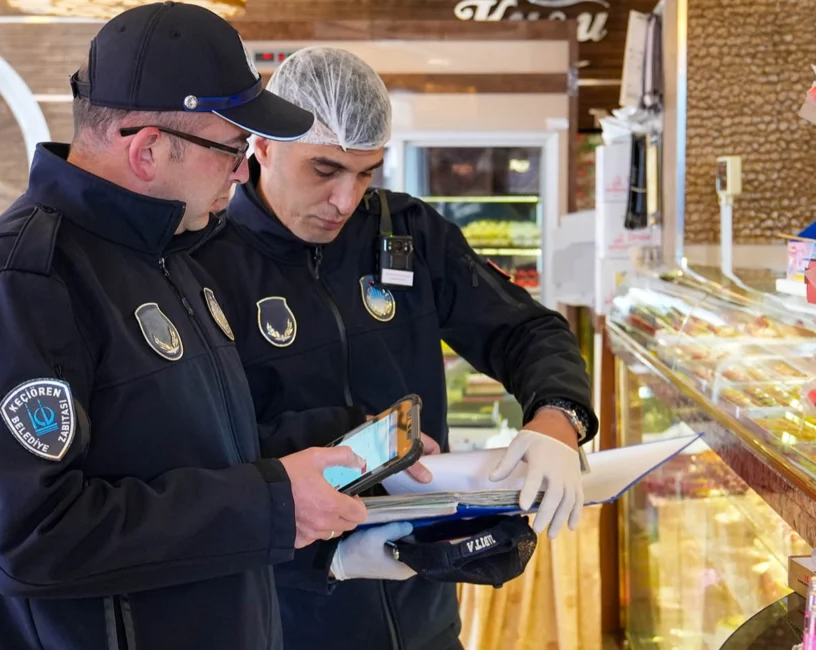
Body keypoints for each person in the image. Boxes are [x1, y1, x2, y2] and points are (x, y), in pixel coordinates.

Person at [0, 9, 371, 650]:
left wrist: (342, 450)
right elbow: (34, 538)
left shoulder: (174, 257)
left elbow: (191, 450)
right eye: (232, 150)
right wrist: (273, 506)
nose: (242, 174)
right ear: (147, 149)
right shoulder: (17, 286)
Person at [193, 46, 599, 650]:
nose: (346, 200)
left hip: (424, 608)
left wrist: (557, 418)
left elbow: (525, 330)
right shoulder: (200, 259)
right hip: (290, 613)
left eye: (366, 173)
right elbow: (200, 466)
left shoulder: (407, 232)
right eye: (324, 171)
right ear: (265, 144)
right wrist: (328, 553)